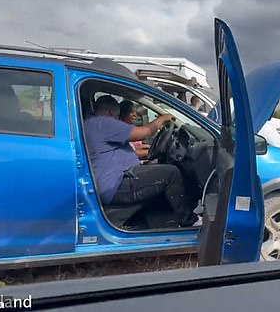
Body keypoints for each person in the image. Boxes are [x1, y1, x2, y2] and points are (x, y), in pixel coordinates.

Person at [84, 95, 199, 227]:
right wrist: (161, 119)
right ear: (111, 112)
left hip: (116, 180)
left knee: (161, 174)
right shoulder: (102, 123)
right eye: (117, 116)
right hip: (117, 184)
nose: (117, 120)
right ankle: (190, 221)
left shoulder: (92, 123)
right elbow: (144, 132)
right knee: (171, 173)